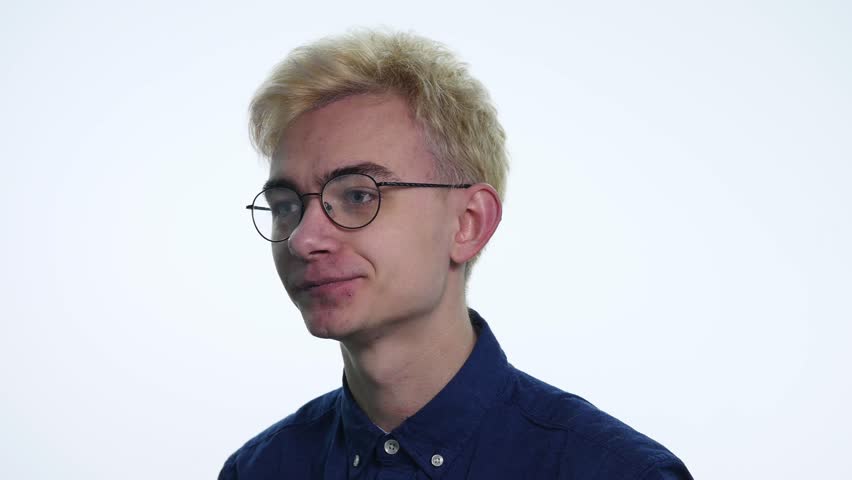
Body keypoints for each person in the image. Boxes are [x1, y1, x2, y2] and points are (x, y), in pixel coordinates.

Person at [220, 29, 693, 479]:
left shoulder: (619, 475)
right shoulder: (257, 471)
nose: (304, 239)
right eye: (286, 207)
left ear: (469, 223)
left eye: (359, 195)